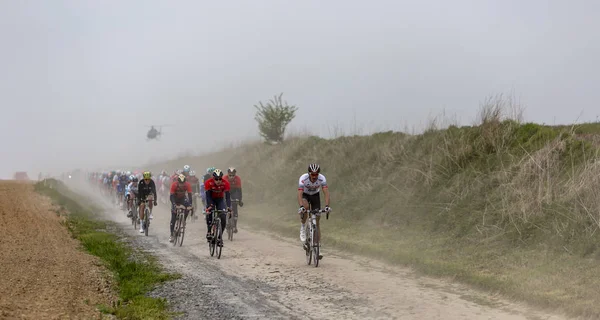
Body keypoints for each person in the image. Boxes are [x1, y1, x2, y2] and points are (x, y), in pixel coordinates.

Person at [297, 163, 331, 259]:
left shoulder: (322, 178)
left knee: (317, 221)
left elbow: (326, 193)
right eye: (312, 174)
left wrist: (327, 206)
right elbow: (299, 193)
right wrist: (301, 206)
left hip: (315, 196)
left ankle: (318, 247)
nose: (314, 176)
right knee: (306, 207)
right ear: (309, 173)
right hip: (305, 195)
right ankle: (303, 227)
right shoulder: (303, 178)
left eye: (316, 174)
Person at [204, 169, 231, 245]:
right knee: (210, 213)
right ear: (213, 178)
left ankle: (219, 238)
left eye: (220, 179)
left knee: (223, 217)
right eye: (216, 179)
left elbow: (228, 197)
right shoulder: (208, 182)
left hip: (220, 200)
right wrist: (210, 206)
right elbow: (208, 196)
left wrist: (229, 207)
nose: (218, 181)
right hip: (211, 199)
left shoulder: (225, 183)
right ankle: (209, 231)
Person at [169, 174, 193, 242]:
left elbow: (190, 195)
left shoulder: (187, 185)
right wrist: (174, 205)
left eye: (183, 183)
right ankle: (171, 235)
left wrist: (190, 205)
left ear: (185, 182)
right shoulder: (174, 185)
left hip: (183, 198)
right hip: (175, 199)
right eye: (180, 183)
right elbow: (171, 197)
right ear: (178, 182)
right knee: (173, 217)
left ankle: (183, 219)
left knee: (188, 207)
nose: (182, 185)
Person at [226, 167, 243, 233]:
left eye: (233, 175)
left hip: (234, 192)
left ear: (235, 174)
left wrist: (240, 200)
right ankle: (226, 220)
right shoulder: (224, 178)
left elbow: (239, 191)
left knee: (235, 205)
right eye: (230, 175)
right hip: (226, 191)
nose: (231, 176)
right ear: (228, 174)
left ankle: (234, 226)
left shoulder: (237, 179)